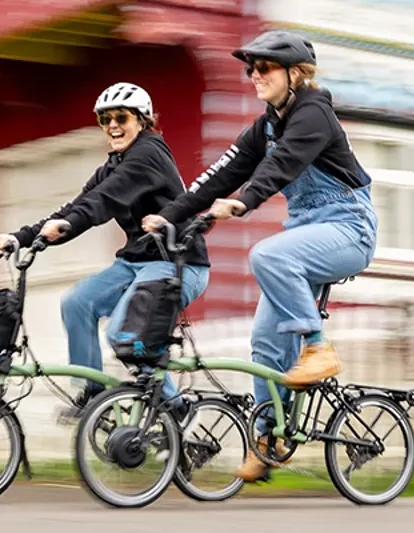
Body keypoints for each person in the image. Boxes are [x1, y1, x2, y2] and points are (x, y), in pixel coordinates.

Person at [142, 30, 378, 481]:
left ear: (296, 73)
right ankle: (271, 440)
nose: (254, 76)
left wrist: (245, 201)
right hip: (307, 236)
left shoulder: (313, 113)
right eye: (250, 69)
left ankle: (317, 349)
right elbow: (219, 175)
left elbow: (282, 164)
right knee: (265, 343)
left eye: (264, 68)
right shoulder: (266, 125)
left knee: (267, 256)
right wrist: (171, 216)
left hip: (348, 228)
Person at [0, 82, 210, 426]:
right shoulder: (115, 164)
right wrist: (23, 237)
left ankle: (175, 406)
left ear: (142, 120)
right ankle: (93, 394)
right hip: (136, 263)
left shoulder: (149, 154)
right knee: (77, 303)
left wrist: (67, 224)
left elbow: (104, 201)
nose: (112, 125)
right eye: (104, 119)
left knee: (123, 333)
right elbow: (80, 204)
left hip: (177, 263)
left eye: (121, 117)